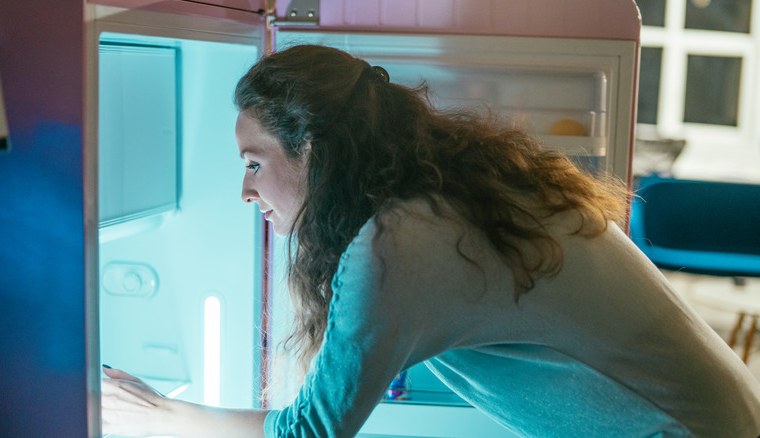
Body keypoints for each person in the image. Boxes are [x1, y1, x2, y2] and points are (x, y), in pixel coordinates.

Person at [101, 44, 760, 438]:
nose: (245, 192)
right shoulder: (450, 199)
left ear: (315, 150)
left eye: (252, 162)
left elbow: (311, 432)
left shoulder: (396, 243)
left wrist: (158, 414)